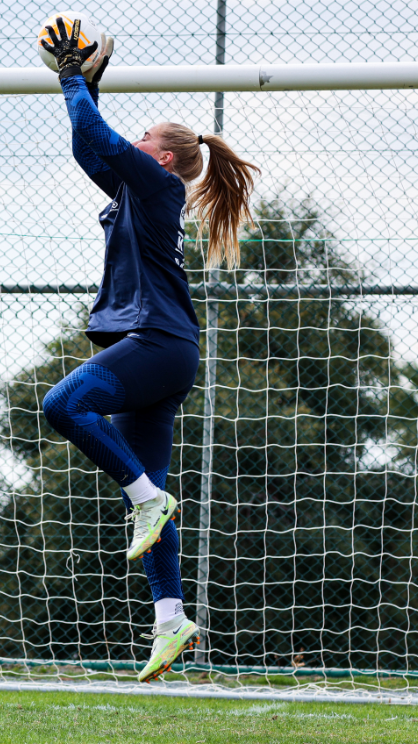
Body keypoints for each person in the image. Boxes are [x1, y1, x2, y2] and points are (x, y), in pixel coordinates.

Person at [41, 20, 259, 683]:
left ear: (160, 156)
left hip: (159, 345)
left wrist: (74, 76)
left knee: (63, 405)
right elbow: (91, 147)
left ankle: (145, 500)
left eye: (143, 140)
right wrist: (83, 87)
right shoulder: (138, 192)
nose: (131, 145)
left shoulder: (161, 187)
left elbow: (104, 140)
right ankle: (171, 620)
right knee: (151, 488)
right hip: (161, 351)